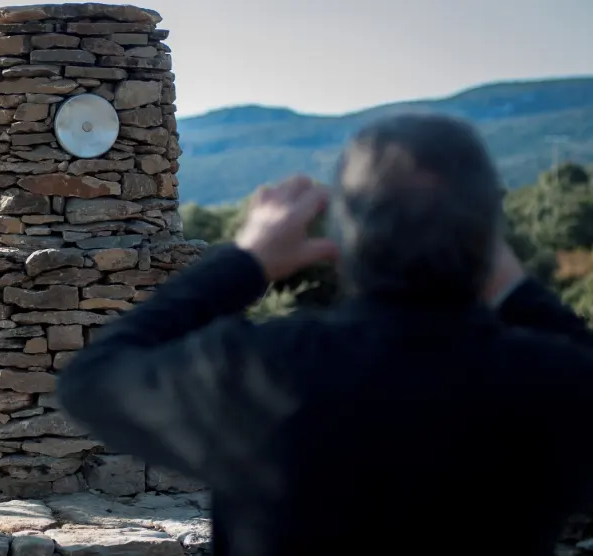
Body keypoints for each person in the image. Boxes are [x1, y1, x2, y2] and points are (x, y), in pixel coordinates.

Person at [57, 113, 593, 556]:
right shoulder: (553, 383)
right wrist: (512, 284)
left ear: (343, 235)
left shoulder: (260, 371)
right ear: (488, 236)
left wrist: (246, 261)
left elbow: (91, 378)